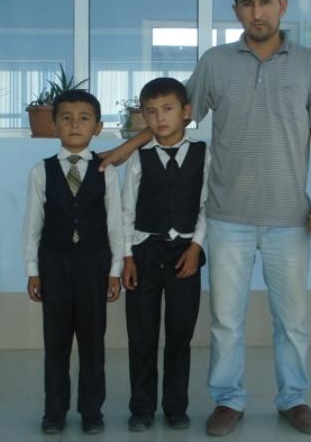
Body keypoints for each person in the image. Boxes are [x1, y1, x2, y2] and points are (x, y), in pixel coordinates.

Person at [100, 0, 311, 436]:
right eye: (247, 4)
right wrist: (128, 148)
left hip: (289, 216)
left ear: (282, 5)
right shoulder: (216, 62)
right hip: (227, 217)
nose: (257, 12)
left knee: (292, 320)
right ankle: (228, 400)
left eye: (265, 2)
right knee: (226, 320)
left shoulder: (310, 65)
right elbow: (175, 116)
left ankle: (293, 399)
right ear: (236, 10)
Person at [22, 89, 124, 435]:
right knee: (56, 342)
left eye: (84, 118)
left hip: (95, 266)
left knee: (93, 342)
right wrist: (32, 271)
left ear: (97, 127)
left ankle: (91, 410)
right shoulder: (42, 171)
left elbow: (115, 224)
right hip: (54, 267)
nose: (75, 124)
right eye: (66, 118)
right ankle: (54, 411)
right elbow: (32, 225)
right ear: (54, 125)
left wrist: (115, 271)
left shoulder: (106, 171)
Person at [121, 77, 209, 432]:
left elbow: (208, 205)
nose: (160, 118)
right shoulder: (138, 159)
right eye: (151, 111)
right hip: (144, 252)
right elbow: (126, 210)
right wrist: (127, 256)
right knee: (141, 335)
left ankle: (175, 406)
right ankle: (141, 408)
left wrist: (196, 246)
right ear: (144, 117)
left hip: (185, 252)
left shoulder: (204, 154)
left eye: (168, 109)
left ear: (186, 112)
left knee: (179, 334)